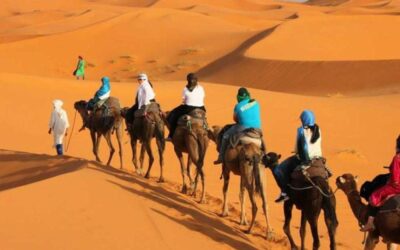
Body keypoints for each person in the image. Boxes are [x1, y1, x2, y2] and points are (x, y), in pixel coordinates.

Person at [272, 110, 323, 203]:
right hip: (318, 158)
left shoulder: (301, 130)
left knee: (278, 170)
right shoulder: (318, 129)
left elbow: (297, 148)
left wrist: (296, 151)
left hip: (305, 160)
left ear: (304, 120)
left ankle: (284, 193)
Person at [361, 135, 400, 232]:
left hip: (396, 186)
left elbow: (395, 179)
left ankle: (370, 223)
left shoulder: (397, 158)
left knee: (374, 196)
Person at [214, 87, 262, 165]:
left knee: (226, 135)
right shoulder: (255, 102)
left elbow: (235, 119)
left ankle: (221, 157)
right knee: (261, 139)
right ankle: (265, 155)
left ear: (238, 97)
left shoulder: (238, 106)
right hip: (257, 129)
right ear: (248, 95)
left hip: (242, 127)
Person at [166, 73, 206, 141]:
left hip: (188, 108)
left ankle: (171, 135)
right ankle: (207, 134)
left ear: (187, 80)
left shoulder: (185, 88)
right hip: (201, 107)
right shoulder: (201, 88)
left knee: (173, 115)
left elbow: (184, 100)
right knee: (204, 119)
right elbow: (203, 97)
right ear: (197, 80)